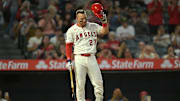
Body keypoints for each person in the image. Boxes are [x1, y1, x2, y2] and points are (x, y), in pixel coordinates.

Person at [65, 3, 109, 101]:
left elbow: (104, 31)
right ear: (77, 19)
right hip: (79, 58)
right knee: (80, 84)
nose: (84, 21)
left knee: (98, 82)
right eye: (81, 19)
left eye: (85, 18)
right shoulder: (72, 30)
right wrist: (68, 60)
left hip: (91, 56)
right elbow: (68, 46)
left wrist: (104, 21)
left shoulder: (92, 26)